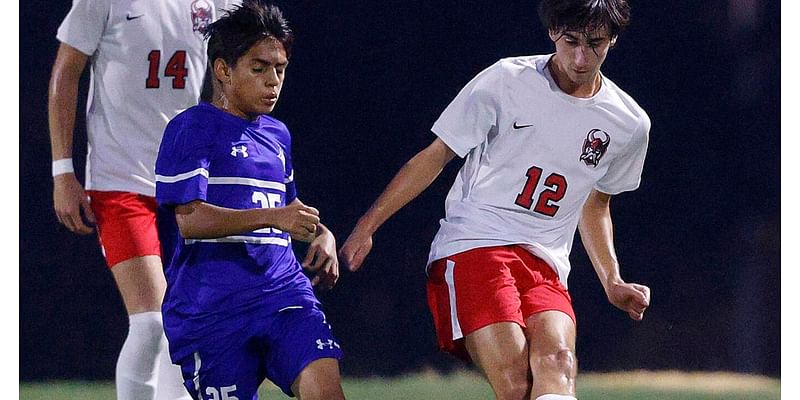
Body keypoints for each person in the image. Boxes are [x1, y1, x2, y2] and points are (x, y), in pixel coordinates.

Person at [340, 1, 651, 399]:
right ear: (553, 30)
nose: (580, 57)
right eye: (571, 40)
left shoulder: (628, 122)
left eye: (595, 44)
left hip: (546, 263)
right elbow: (437, 155)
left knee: (559, 365)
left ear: (613, 40)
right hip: (475, 245)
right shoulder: (507, 80)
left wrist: (612, 280)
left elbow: (596, 203)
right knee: (517, 381)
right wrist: (368, 227)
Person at [154, 2, 345, 399]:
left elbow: (288, 209)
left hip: (283, 293)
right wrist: (275, 218)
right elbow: (189, 219)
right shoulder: (191, 128)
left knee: (325, 388)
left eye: (280, 69)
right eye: (259, 69)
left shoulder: (278, 135)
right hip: (211, 309)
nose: (273, 81)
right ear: (223, 70)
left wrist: (322, 235)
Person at [48, 0, 238, 398]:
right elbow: (66, 72)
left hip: (183, 182)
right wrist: (62, 171)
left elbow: (252, 51)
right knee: (152, 321)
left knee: (184, 322)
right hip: (119, 181)